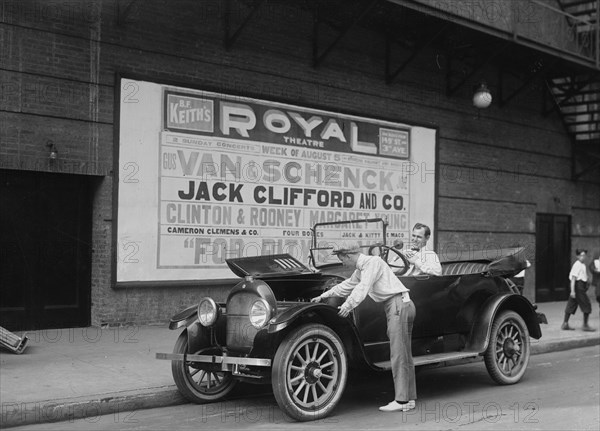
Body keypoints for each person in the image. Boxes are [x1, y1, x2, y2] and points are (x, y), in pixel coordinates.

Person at [311, 241, 417, 412]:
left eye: (341, 259)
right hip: (401, 305)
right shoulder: (362, 269)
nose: (342, 263)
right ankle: (408, 399)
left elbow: (363, 287)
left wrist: (347, 306)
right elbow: (347, 285)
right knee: (404, 354)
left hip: (397, 305)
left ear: (348, 255)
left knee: (398, 353)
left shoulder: (372, 263)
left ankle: (402, 401)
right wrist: (323, 296)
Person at [562, 249, 595, 331]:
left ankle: (565, 323)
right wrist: (572, 291)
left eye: (584, 255)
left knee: (571, 303)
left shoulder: (582, 265)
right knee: (586, 304)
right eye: (581, 255)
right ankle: (585, 325)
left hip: (581, 286)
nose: (582, 257)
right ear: (577, 256)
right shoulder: (577, 264)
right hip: (578, 287)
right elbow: (573, 279)